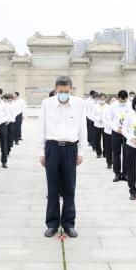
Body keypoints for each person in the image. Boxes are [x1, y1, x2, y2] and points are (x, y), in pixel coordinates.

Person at [39, 76, 87, 238]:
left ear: (71, 90)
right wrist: (42, 151)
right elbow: (42, 129)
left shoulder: (79, 104)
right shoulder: (47, 104)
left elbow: (83, 129)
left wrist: (81, 152)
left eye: (66, 92)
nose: (63, 95)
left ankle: (68, 223)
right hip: (52, 147)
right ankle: (52, 223)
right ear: (55, 89)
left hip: (70, 149)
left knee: (69, 188)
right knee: (52, 188)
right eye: (60, 92)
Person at [108, 90, 131, 182]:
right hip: (116, 131)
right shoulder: (112, 106)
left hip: (127, 132)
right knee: (116, 153)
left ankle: (125, 173)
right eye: (121, 101)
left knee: (127, 153)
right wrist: (116, 128)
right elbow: (109, 119)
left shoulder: (130, 105)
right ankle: (117, 173)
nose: (123, 102)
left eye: (124, 101)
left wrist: (127, 129)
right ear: (118, 98)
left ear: (127, 98)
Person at [100, 93, 113, 169]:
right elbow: (104, 119)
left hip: (116, 132)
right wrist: (110, 126)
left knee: (115, 149)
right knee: (108, 148)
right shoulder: (107, 108)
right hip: (108, 131)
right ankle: (109, 162)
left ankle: (114, 160)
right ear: (110, 101)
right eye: (112, 100)